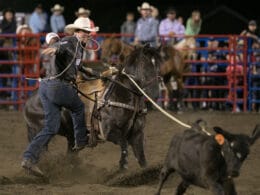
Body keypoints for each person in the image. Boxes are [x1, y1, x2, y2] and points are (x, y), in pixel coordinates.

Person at [21, 17, 99, 177]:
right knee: (78, 107)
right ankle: (80, 141)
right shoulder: (70, 41)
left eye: (89, 32)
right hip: (58, 86)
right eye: (85, 32)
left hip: (46, 87)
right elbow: (60, 47)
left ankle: (29, 158)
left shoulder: (79, 47)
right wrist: (55, 48)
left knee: (51, 127)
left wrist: (96, 73)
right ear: (77, 32)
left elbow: (78, 66)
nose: (88, 35)